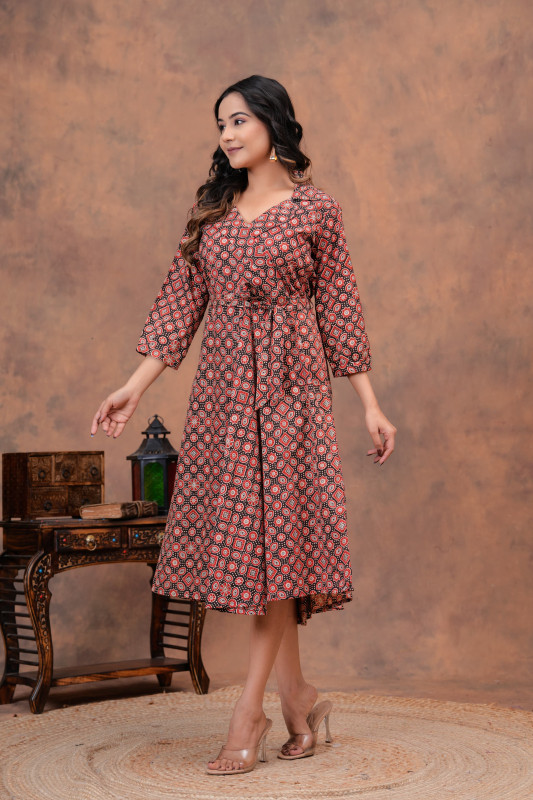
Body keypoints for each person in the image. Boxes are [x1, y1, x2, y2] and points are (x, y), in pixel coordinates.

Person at [91, 74, 396, 775]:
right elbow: (178, 307)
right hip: (224, 399)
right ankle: (301, 697)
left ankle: (247, 710)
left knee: (278, 544)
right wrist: (131, 390)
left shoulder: (316, 210)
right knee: (262, 550)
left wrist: (370, 405)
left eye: (238, 121)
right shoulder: (212, 214)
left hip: (293, 397)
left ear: (272, 123)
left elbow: (340, 308)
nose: (226, 134)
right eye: (220, 124)